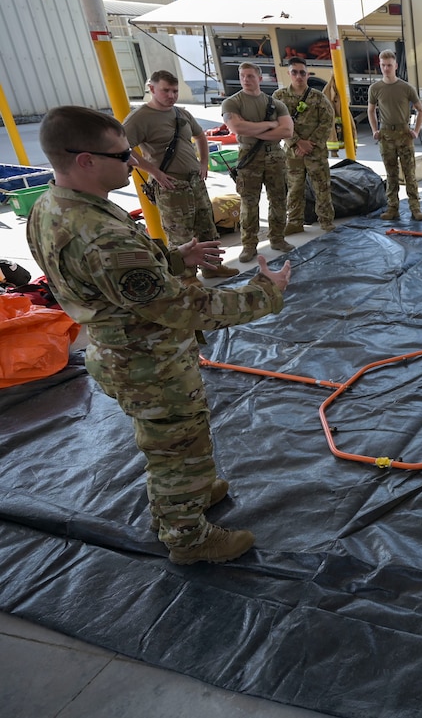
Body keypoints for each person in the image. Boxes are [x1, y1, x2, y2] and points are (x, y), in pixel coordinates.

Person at [26, 106, 292, 565]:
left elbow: (106, 280)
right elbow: (183, 309)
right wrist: (265, 291)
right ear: (85, 160)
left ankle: (191, 493)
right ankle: (188, 538)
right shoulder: (100, 233)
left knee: (175, 439)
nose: (132, 161)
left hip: (125, 350)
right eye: (121, 154)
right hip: (149, 362)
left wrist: (173, 258)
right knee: (174, 448)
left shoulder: (54, 207)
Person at [123, 70, 238, 281]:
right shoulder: (139, 118)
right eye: (165, 90)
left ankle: (212, 267)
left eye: (175, 91)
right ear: (152, 89)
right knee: (180, 234)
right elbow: (124, 150)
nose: (171, 95)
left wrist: (204, 163)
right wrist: (154, 172)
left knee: (206, 227)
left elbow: (200, 136)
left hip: (194, 181)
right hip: (171, 185)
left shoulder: (180, 113)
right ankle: (187, 277)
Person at [221, 62, 294, 262]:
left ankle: (277, 238)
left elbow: (287, 131)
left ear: (259, 78)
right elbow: (237, 127)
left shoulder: (275, 103)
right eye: (243, 76)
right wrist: (271, 125)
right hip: (248, 157)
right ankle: (249, 246)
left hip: (275, 156)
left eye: (250, 76)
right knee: (249, 204)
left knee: (279, 199)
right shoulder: (232, 103)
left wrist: (254, 128)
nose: (246, 79)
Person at [274, 58, 337, 235]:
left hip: (315, 152)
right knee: (294, 189)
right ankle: (294, 222)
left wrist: (310, 143)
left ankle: (326, 221)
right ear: (289, 73)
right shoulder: (279, 97)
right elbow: (276, 122)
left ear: (307, 74)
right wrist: (296, 142)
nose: (299, 76)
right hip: (293, 153)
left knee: (322, 187)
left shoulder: (318, 97)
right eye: (294, 72)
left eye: (302, 72)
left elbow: (327, 122)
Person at [367, 49, 422, 222]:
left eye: (389, 65)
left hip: (404, 133)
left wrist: (416, 130)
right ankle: (393, 208)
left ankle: (415, 208)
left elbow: (420, 109)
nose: (386, 69)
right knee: (391, 174)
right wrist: (374, 130)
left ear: (396, 66)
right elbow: (370, 110)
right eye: (383, 65)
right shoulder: (375, 88)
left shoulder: (406, 88)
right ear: (380, 65)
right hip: (386, 134)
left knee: (409, 174)